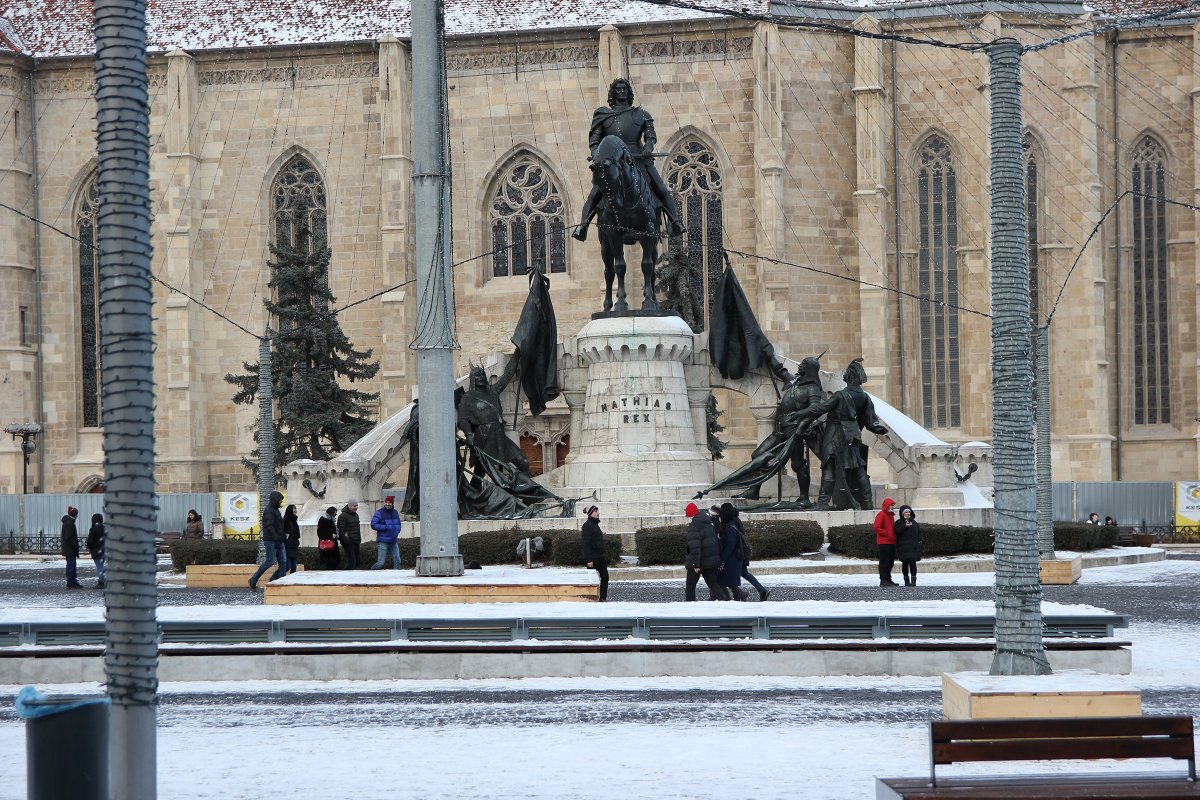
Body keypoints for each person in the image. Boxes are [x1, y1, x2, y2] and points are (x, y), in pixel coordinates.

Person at [573, 78, 685, 241]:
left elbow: (650, 137)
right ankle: (582, 226)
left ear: (629, 92)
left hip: (638, 159)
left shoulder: (642, 114)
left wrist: (647, 149)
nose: (622, 91)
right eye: (618, 89)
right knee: (595, 194)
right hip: (611, 162)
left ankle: (676, 222)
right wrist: (598, 155)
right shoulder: (603, 115)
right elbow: (594, 142)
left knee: (661, 189)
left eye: (624, 88)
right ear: (613, 93)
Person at [796, 358, 888, 511]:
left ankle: (823, 503)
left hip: (834, 435)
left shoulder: (840, 395)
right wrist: (877, 428)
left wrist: (798, 413)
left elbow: (819, 409)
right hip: (852, 435)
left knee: (829, 468)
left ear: (850, 377)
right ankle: (868, 502)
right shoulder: (864, 397)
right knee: (858, 468)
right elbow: (871, 420)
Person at [684, 502, 729, 601]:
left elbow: (695, 547)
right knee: (713, 584)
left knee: (690, 586)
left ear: (690, 514)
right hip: (710, 561)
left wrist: (695, 565)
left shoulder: (694, 526)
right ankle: (726, 602)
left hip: (698, 561)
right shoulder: (708, 522)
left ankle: (689, 607)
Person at [248, 490, 286, 590]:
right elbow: (270, 527)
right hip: (271, 541)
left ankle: (282, 583)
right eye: (280, 501)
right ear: (275, 500)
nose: (280, 503)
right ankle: (253, 579)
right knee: (270, 561)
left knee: (283, 561)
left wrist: (281, 537)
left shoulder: (276, 510)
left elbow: (279, 526)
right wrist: (276, 538)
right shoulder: (269, 510)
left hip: (278, 540)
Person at [717, 502, 747, 601]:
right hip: (732, 559)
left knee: (731, 584)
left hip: (732, 560)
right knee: (728, 583)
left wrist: (722, 559)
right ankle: (732, 600)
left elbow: (730, 546)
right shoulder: (731, 527)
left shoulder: (730, 529)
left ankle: (736, 602)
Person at [581, 504, 609, 602]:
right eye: (596, 511)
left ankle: (603, 597)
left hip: (600, 557)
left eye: (598, 511)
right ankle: (593, 598)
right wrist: (589, 560)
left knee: (605, 577)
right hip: (593, 558)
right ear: (591, 513)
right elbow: (586, 544)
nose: (598, 513)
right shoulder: (587, 525)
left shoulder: (594, 524)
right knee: (592, 581)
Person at [370, 495, 403, 570]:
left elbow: (398, 523)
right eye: (386, 502)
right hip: (383, 541)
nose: (387, 504)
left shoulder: (395, 512)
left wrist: (397, 531)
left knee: (398, 561)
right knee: (381, 563)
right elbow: (373, 524)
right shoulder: (379, 513)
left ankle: (396, 578)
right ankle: (371, 573)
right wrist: (385, 527)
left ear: (392, 503)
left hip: (393, 540)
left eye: (389, 502)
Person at [894, 504, 922, 587]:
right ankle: (906, 581)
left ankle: (913, 581)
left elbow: (919, 532)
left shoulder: (914, 522)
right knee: (905, 564)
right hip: (903, 547)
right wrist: (905, 526)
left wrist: (920, 541)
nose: (908, 513)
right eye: (906, 512)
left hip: (913, 547)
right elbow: (897, 531)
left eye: (909, 512)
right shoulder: (898, 523)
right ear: (902, 513)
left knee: (913, 564)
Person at [874, 497, 898, 588]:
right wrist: (887, 534)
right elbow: (877, 527)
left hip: (891, 542)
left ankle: (888, 579)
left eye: (893, 506)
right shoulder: (881, 514)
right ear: (886, 506)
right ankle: (883, 580)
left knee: (890, 562)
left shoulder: (891, 516)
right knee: (884, 562)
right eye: (891, 505)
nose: (892, 507)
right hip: (884, 542)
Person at [61, 505, 82, 589]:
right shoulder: (70, 524)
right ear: (74, 515)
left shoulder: (68, 522)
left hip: (68, 549)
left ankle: (73, 581)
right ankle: (71, 582)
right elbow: (69, 538)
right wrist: (75, 547)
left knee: (71, 565)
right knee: (71, 566)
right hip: (70, 549)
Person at [338, 499, 362, 569]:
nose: (356, 507)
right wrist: (347, 540)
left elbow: (357, 528)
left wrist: (359, 539)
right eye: (354, 506)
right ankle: (347, 575)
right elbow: (341, 530)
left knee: (358, 561)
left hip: (356, 540)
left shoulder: (356, 515)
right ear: (350, 506)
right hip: (348, 541)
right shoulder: (343, 516)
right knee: (352, 561)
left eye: (357, 506)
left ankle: (355, 576)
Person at [85, 512, 106, 589]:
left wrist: (89, 547)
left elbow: (90, 541)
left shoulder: (93, 529)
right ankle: (103, 580)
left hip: (96, 551)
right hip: (104, 550)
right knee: (101, 566)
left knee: (100, 567)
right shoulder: (105, 528)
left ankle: (102, 582)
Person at [316, 505, 341, 570]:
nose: (335, 516)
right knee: (329, 562)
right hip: (326, 545)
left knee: (335, 561)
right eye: (334, 514)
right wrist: (330, 535)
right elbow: (320, 533)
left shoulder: (331, 520)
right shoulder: (323, 519)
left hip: (332, 544)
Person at [283, 504, 301, 575]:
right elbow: (283, 532)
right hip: (287, 545)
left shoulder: (294, 520)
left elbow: (296, 533)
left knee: (293, 567)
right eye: (293, 508)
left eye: (295, 508)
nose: (295, 510)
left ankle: (292, 581)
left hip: (294, 545)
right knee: (287, 566)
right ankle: (275, 577)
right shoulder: (285, 520)